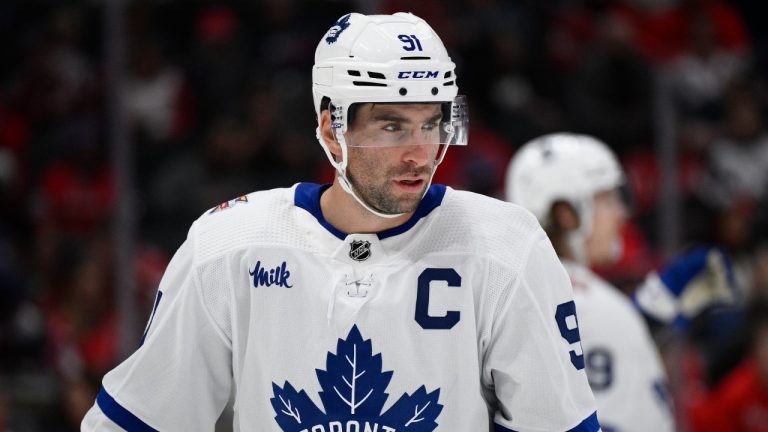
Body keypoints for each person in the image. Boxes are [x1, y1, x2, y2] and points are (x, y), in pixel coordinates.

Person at [82, 13, 599, 431]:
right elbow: (140, 419)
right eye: (392, 126)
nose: (421, 154)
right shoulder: (230, 245)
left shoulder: (505, 246)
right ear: (332, 130)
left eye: (432, 124)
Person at [506, 133, 675, 432]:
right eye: (606, 199)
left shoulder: (510, 291)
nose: (621, 214)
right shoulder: (590, 305)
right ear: (566, 214)